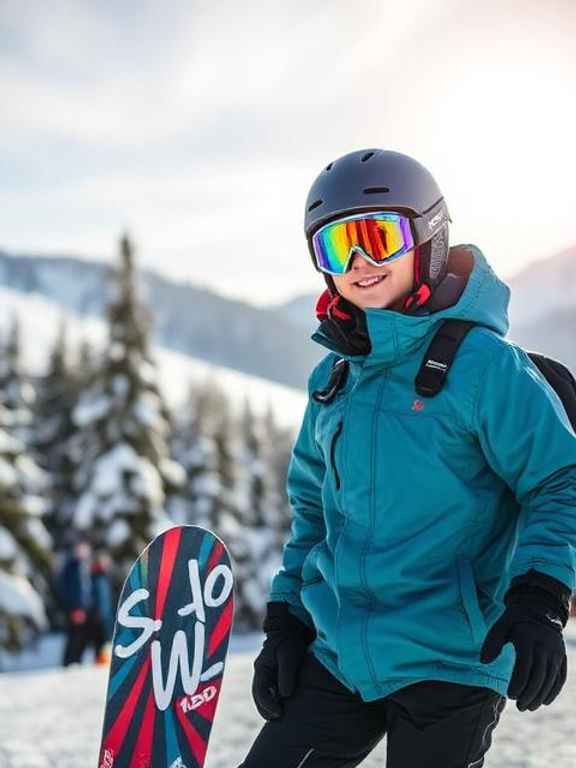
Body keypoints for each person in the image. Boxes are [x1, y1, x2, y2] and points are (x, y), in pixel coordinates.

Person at [239, 149, 576, 768]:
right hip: (340, 654)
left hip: (453, 657)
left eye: (377, 236)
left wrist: (540, 600)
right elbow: (313, 513)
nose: (360, 262)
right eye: (336, 248)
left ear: (428, 236)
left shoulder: (483, 366)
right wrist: (287, 619)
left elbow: (561, 478)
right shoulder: (333, 380)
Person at [57, 538, 93, 666]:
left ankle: (75, 661)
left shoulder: (81, 565)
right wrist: (76, 608)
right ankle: (70, 662)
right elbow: (72, 590)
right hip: (75, 609)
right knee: (75, 637)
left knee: (80, 637)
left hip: (81, 608)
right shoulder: (72, 567)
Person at [88, 551, 115, 665]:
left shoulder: (107, 578)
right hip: (96, 618)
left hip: (107, 616)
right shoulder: (91, 579)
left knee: (106, 642)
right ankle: (99, 662)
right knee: (99, 643)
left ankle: (104, 661)